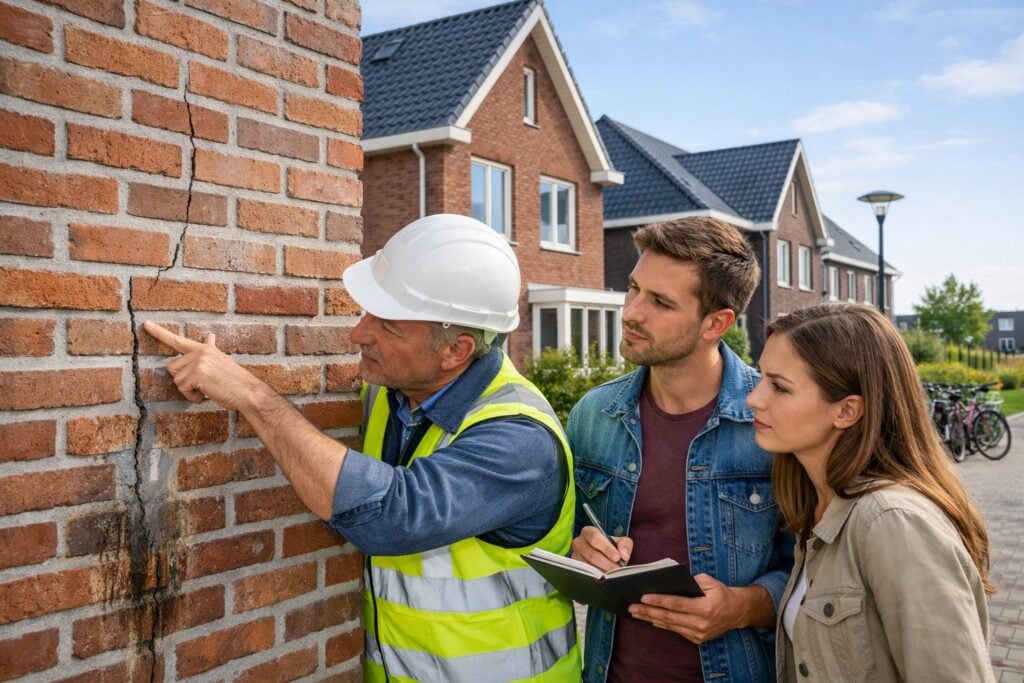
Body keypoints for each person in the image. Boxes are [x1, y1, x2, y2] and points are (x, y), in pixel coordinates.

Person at [143, 214, 581, 682]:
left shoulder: (517, 438)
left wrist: (251, 396)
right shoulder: (390, 394)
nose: (357, 333)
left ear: (455, 350)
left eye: (387, 325)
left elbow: (390, 516)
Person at [568, 216, 794, 682]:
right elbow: (569, 532)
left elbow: (815, 570)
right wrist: (580, 547)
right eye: (633, 288)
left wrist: (741, 606)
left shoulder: (772, 420)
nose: (631, 311)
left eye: (660, 302)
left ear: (717, 322)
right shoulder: (593, 414)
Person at [748, 302, 994, 682]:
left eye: (779, 386)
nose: (754, 398)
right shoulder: (820, 508)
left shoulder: (894, 523)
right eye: (761, 377)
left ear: (847, 411)